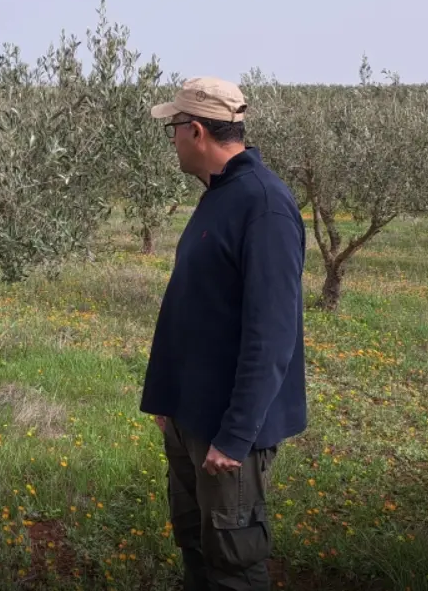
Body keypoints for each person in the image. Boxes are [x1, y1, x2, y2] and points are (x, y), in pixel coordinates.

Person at [140, 77, 308, 590]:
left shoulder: (264, 206)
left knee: (234, 564)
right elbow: (197, 307)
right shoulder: (220, 194)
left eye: (173, 129)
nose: (170, 140)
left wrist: (235, 436)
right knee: (196, 545)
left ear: (195, 131)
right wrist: (169, 400)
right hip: (191, 418)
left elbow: (271, 336)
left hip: (227, 432)